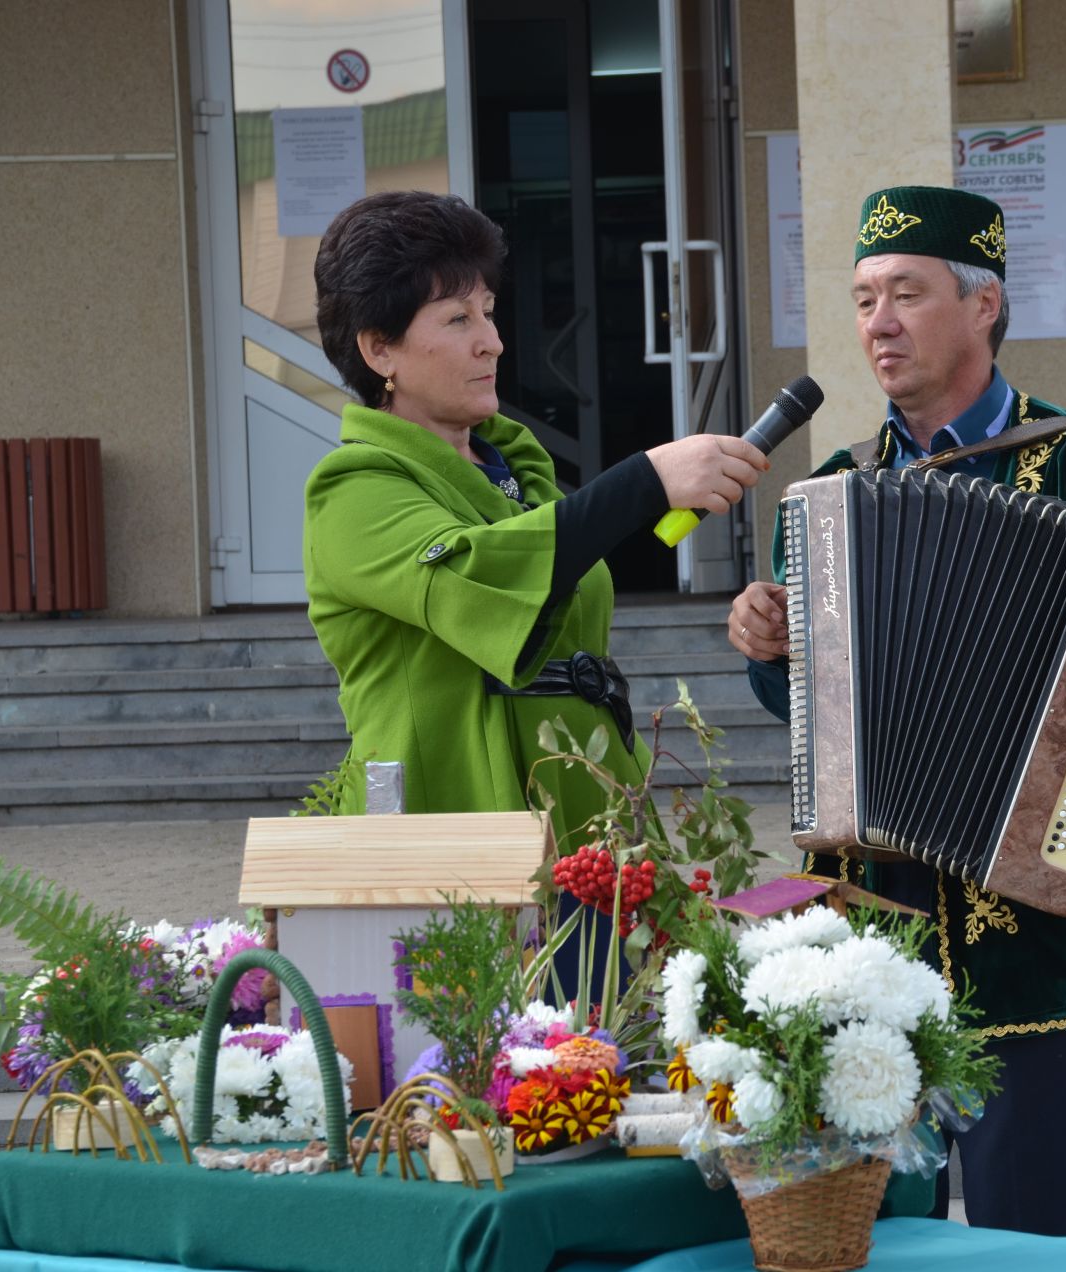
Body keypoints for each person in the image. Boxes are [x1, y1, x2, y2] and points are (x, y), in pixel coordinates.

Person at [727, 185, 1066, 1238]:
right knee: (883, 1233)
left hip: (1033, 931)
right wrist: (771, 652)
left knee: (1026, 1237)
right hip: (877, 928)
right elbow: (811, 718)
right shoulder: (826, 495)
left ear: (985, 305)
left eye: (906, 294)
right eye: (865, 298)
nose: (879, 323)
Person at [304, 189, 767, 843]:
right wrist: (646, 482)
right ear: (381, 349)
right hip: (452, 823)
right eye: (458, 319)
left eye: (489, 313)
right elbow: (477, 571)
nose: (492, 342)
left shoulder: (521, 473)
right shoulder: (352, 490)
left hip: (591, 805)